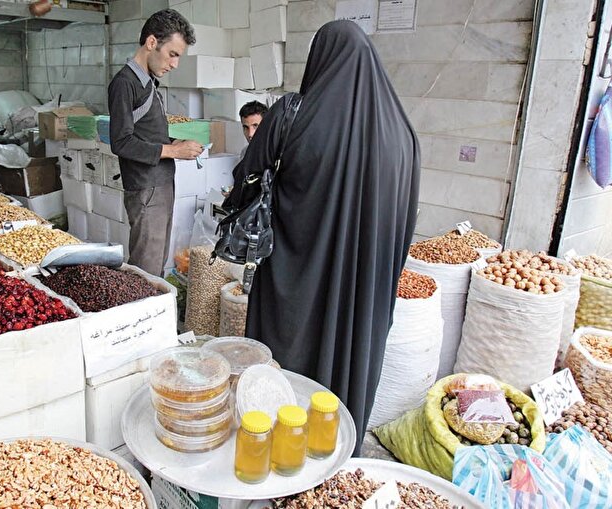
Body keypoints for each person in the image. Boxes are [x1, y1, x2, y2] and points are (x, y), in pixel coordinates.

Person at [225, 20, 420, 455]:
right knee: (347, 356)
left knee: (284, 365)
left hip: (294, 276)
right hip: (364, 284)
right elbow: (405, 219)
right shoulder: (402, 134)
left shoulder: (290, 113)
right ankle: (334, 451)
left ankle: (274, 445)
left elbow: (247, 179)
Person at [108, 9, 204, 277]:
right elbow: (121, 141)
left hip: (160, 184)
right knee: (145, 270)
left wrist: (176, 142)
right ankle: (138, 305)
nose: (175, 64)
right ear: (152, 42)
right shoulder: (125, 83)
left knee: (157, 265)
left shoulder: (148, 82)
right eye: (172, 54)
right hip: (145, 188)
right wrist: (173, 150)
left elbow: (146, 133)